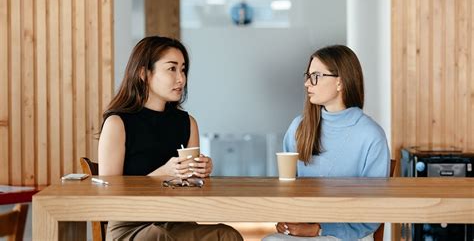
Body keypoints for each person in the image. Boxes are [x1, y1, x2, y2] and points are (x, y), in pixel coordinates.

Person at [98, 36, 243, 241]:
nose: (181, 79)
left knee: (227, 235)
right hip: (131, 226)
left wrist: (201, 175)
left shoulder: (187, 123)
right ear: (143, 74)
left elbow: (192, 190)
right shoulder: (117, 123)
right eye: (171, 69)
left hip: (177, 220)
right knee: (159, 237)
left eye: (183, 69)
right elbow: (108, 193)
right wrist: (162, 175)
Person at [263, 45, 390, 241]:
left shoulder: (371, 136)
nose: (307, 83)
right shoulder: (299, 128)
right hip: (302, 232)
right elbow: (287, 190)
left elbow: (372, 214)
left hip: (349, 236)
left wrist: (318, 229)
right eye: (307, 75)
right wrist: (287, 219)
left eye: (316, 76)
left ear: (340, 82)